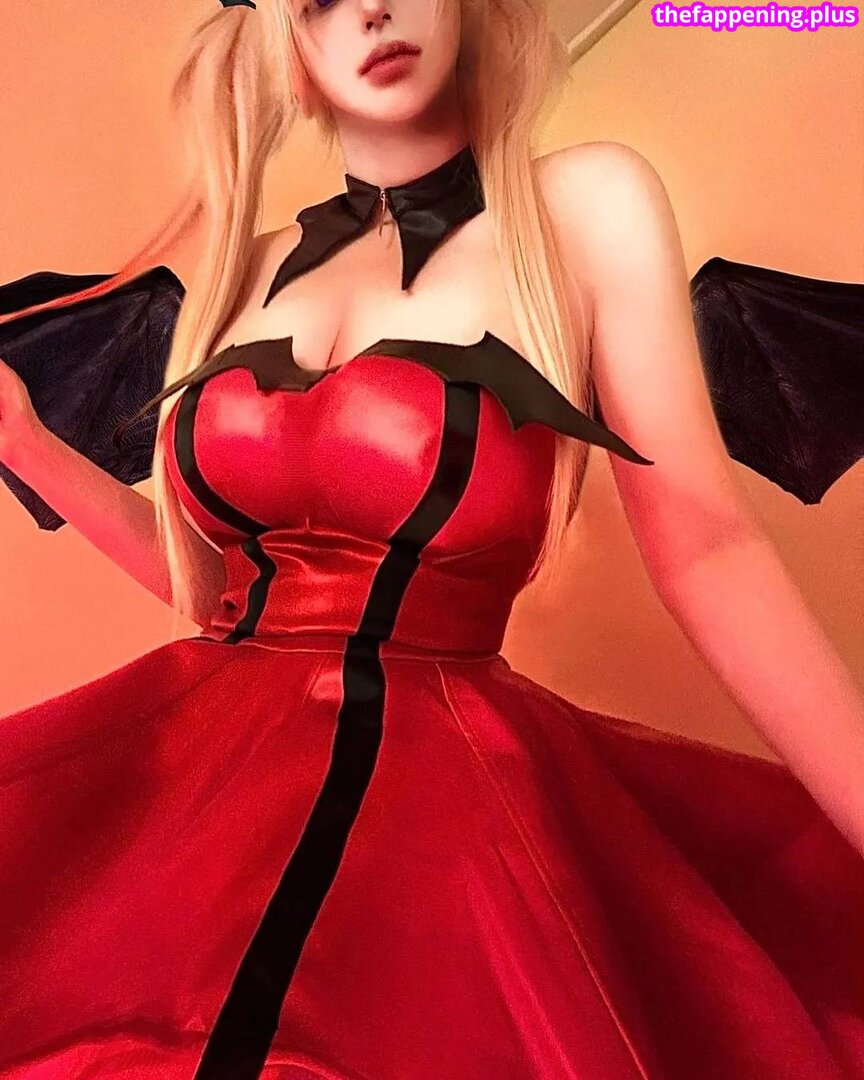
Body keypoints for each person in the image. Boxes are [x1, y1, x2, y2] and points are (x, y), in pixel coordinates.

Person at [0, 1, 862, 1077]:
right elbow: (221, 599)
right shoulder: (245, 267)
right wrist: (28, 446)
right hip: (201, 796)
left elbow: (708, 550)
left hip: (444, 823)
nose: (372, 8)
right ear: (286, 43)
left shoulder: (584, 205)